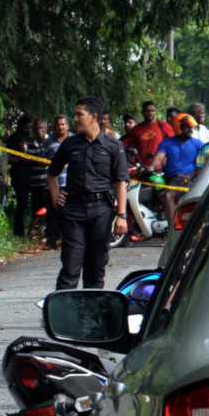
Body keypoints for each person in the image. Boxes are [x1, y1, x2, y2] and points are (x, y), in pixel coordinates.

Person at [47, 97, 128, 290]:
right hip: (73, 210)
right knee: (70, 267)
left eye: (79, 114)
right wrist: (55, 198)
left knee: (96, 268)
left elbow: (120, 182)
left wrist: (121, 215)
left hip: (101, 210)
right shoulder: (70, 144)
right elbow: (52, 174)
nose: (74, 118)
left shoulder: (113, 145)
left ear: (94, 117)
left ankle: (91, 315)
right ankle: (62, 316)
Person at [149, 113, 204, 225]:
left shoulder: (198, 144)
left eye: (191, 127)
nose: (190, 130)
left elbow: (202, 165)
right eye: (187, 127)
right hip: (169, 177)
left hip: (184, 179)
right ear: (179, 128)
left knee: (169, 195)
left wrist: (190, 176)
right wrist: (151, 166)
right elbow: (159, 156)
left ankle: (173, 229)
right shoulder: (167, 143)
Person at [42, 115, 71, 250]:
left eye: (62, 124)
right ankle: (52, 241)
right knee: (53, 213)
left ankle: (68, 241)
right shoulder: (48, 142)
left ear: (67, 126)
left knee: (68, 214)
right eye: (58, 124)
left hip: (69, 183)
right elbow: (42, 161)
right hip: (53, 184)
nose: (60, 127)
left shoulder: (74, 140)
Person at [5, 116, 36, 237]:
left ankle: (33, 229)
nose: (28, 130)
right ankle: (19, 230)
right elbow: (9, 159)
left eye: (30, 128)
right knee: (21, 202)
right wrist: (21, 158)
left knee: (32, 202)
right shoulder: (13, 139)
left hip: (32, 175)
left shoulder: (30, 139)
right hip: (19, 175)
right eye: (26, 128)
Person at [30, 119, 51, 221]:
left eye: (41, 128)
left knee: (48, 210)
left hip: (48, 184)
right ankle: (36, 234)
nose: (39, 130)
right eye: (37, 128)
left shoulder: (51, 143)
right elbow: (26, 161)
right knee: (36, 210)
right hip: (35, 183)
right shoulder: (30, 145)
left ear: (46, 129)